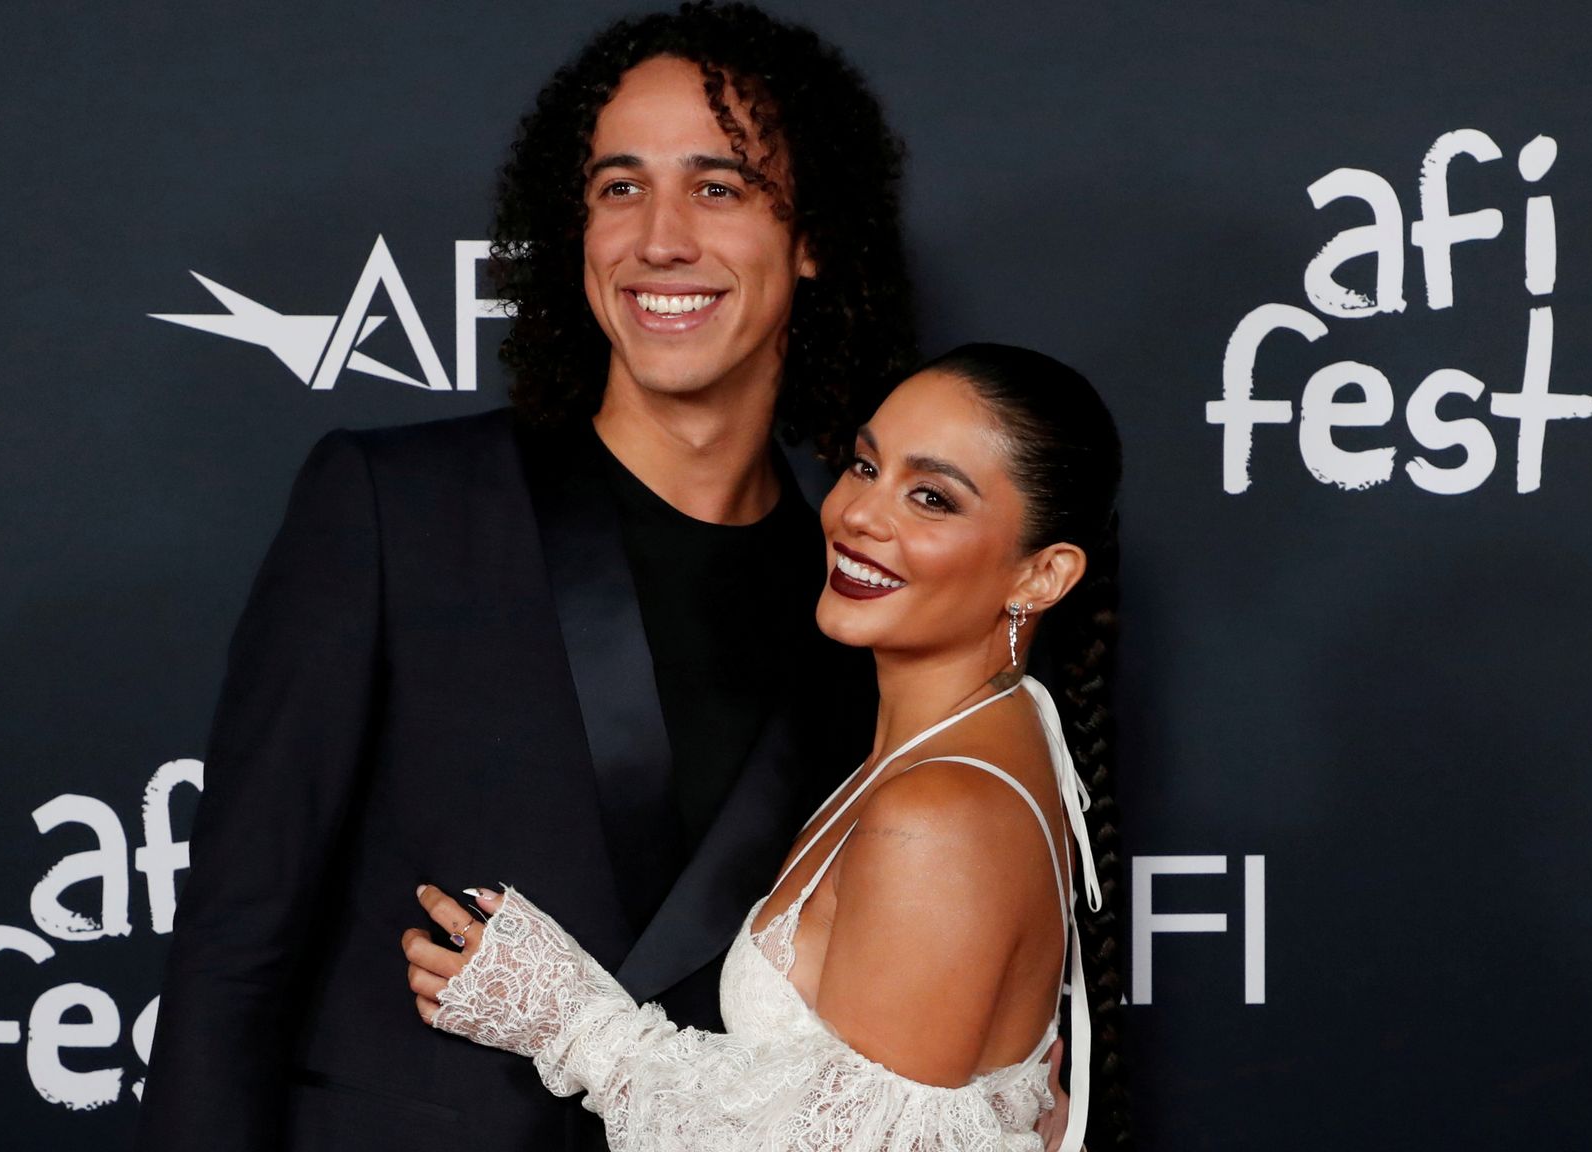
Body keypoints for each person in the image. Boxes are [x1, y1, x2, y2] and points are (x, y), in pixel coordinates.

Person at [138, 5, 938, 1151]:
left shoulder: (861, 608)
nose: (658, 237)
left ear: (811, 236)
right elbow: (230, 953)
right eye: (619, 188)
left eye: (718, 186)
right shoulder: (393, 507)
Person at [405, 344, 1126, 1152]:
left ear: (1042, 575)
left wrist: (576, 1027)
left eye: (930, 497)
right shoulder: (988, 732)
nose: (859, 514)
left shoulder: (940, 812)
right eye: (863, 466)